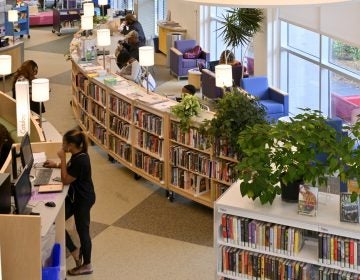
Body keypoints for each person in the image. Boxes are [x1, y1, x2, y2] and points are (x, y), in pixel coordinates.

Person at [43, 129, 96, 276]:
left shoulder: (81, 159)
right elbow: (72, 170)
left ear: (71, 145)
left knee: (83, 230)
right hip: (76, 197)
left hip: (83, 200)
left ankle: (87, 264)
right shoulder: (78, 154)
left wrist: (62, 160)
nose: (62, 146)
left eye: (64, 143)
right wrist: (57, 165)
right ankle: (74, 250)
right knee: (56, 221)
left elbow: (66, 179)